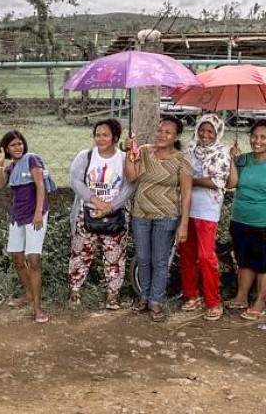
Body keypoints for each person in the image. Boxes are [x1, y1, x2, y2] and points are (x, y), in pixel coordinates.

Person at [124, 116, 192, 322]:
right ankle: (143, 297)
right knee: (143, 259)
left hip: (166, 216)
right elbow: (131, 177)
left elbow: (187, 195)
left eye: (168, 132)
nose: (162, 135)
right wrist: (129, 154)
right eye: (160, 130)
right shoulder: (143, 151)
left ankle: (155, 301)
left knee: (159, 261)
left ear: (177, 136)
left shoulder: (182, 159)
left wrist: (184, 224)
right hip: (141, 215)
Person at [67, 119, 135, 310]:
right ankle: (74, 290)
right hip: (87, 212)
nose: (100, 139)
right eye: (97, 135)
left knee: (114, 256)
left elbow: (130, 185)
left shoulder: (123, 158)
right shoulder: (85, 156)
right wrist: (96, 201)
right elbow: (75, 181)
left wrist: (110, 206)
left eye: (105, 135)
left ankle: (112, 295)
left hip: (115, 214)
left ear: (115, 137)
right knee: (81, 253)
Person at [0, 130, 52, 324]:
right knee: (17, 258)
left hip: (35, 216)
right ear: (7, 149)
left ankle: (37, 307)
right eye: (12, 145)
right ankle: (27, 294)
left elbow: (40, 186)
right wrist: (0, 164)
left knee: (33, 260)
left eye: (19, 144)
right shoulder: (10, 168)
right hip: (18, 215)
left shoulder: (32, 159)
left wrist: (38, 213)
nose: (17, 148)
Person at [180, 113, 232, 321]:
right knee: (186, 252)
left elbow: (218, 182)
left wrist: (190, 180)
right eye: (202, 129)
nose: (205, 134)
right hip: (186, 207)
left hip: (207, 210)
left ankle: (213, 301)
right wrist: (189, 180)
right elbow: (181, 174)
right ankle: (191, 295)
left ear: (217, 132)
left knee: (205, 256)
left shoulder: (223, 152)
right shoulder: (190, 149)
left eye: (210, 131)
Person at [226, 119, 266, 320]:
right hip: (240, 219)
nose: (257, 141)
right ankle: (241, 297)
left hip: (262, 222)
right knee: (244, 260)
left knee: (262, 264)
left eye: (263, 137)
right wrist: (232, 160)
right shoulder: (244, 159)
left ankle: (260, 301)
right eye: (255, 136)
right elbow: (231, 185)